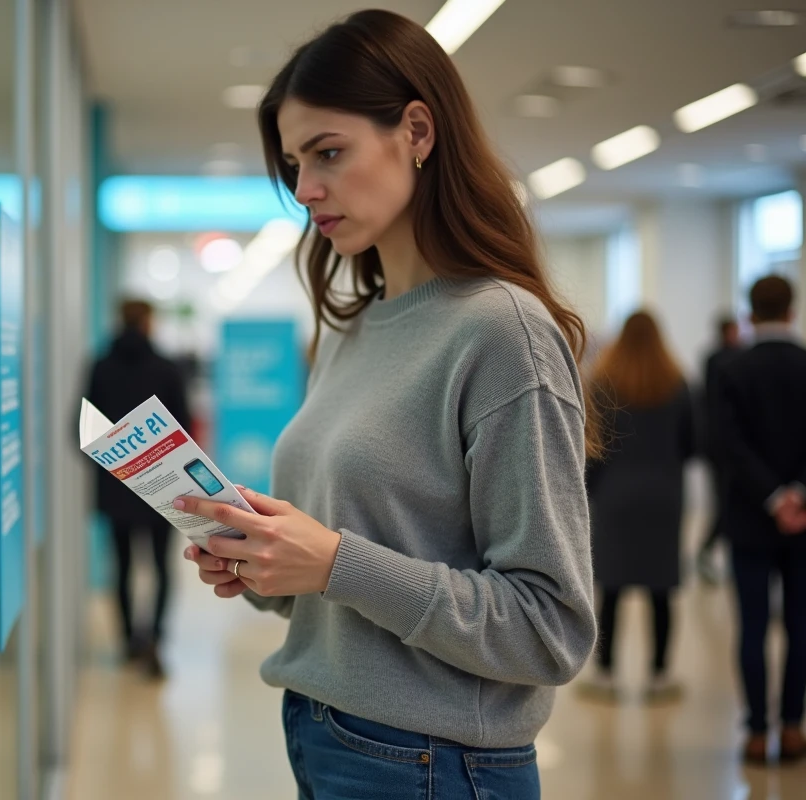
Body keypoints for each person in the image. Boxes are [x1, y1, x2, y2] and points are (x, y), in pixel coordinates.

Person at [179, 11, 597, 798]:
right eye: (296, 162)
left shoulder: (501, 331)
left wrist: (336, 562)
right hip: (326, 734)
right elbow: (357, 564)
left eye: (328, 153)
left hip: (437, 762)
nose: (305, 189)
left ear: (416, 131)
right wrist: (269, 564)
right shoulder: (351, 328)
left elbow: (550, 630)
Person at [581, 311, 695, 702]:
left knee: (611, 588)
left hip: (616, 498)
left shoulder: (603, 384)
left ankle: (606, 673)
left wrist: (588, 491)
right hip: (664, 498)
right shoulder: (678, 384)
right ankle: (660, 674)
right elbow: (694, 443)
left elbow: (593, 450)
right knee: (661, 589)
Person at [716, 275, 806, 765]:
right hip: (804, 523)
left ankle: (755, 731)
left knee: (752, 626)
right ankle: (793, 728)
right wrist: (797, 493)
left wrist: (772, 496)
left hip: (750, 518)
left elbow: (727, 446)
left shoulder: (731, 369)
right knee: (800, 625)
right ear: (791, 311)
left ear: (751, 314)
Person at [86, 299, 190, 679]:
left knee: (123, 567)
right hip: (162, 488)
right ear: (148, 322)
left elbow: (82, 430)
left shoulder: (100, 367)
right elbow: (184, 431)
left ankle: (129, 641)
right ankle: (155, 639)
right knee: (162, 567)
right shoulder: (166, 369)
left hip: (115, 489)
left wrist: (115, 462)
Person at [697, 316, 742, 582]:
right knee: (724, 503)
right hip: (720, 448)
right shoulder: (722, 360)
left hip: (717, 446)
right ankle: (708, 549)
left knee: (725, 503)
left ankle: (709, 549)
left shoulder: (715, 359)